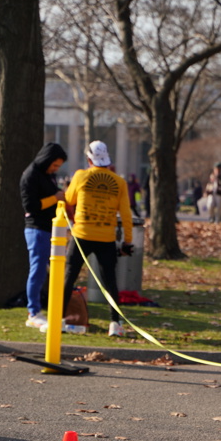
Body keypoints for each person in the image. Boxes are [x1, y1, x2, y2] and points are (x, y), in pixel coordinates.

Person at [62, 141, 132, 337]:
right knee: (110, 281)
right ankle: (115, 324)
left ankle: (59, 319)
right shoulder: (119, 182)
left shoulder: (80, 176)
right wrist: (127, 240)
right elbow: (126, 214)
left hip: (81, 235)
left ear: (89, 159)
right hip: (106, 238)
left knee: (69, 277)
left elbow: (69, 199)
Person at [20, 142, 67, 331]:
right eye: (54, 165)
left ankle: (48, 309)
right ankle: (33, 312)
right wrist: (55, 198)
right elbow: (30, 206)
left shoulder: (48, 176)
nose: (55, 169)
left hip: (50, 228)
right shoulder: (31, 175)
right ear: (47, 160)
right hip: (37, 229)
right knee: (38, 270)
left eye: (58, 166)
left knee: (50, 270)